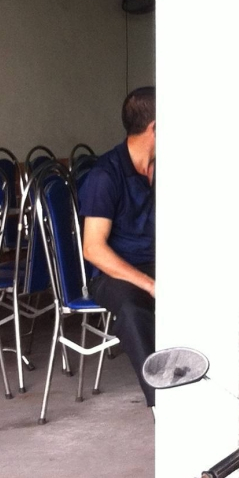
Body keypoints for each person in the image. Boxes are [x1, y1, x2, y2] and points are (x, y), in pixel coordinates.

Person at [80, 86, 157, 408]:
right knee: (133, 309)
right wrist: (150, 285)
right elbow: (93, 249)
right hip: (113, 273)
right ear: (156, 127)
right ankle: (162, 402)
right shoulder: (105, 175)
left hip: (157, 266)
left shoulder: (169, 169)